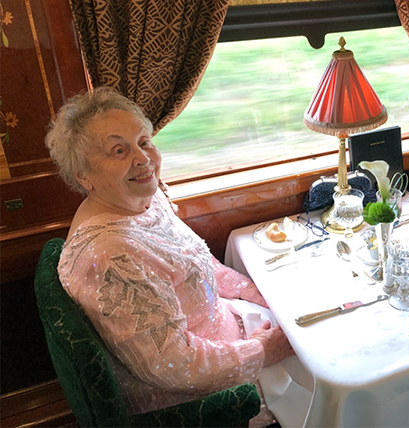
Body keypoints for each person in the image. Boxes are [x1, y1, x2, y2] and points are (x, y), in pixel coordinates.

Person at [45, 87, 295, 422]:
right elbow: (173, 365)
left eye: (144, 141)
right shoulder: (111, 257)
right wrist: (261, 351)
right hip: (198, 392)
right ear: (83, 176)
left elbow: (196, 263)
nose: (143, 158)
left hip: (227, 328)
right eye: (118, 150)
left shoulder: (141, 199)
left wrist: (258, 294)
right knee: (325, 367)